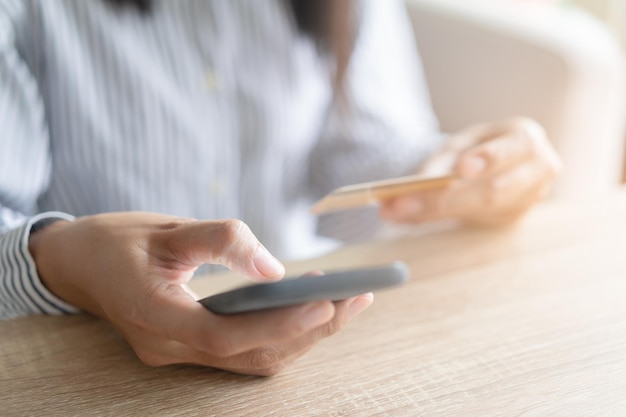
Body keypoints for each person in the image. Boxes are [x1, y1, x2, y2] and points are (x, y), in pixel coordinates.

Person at [0, 0, 561, 375]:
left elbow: (354, 157)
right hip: (76, 362)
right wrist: (63, 258)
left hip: (321, 360)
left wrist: (459, 175)